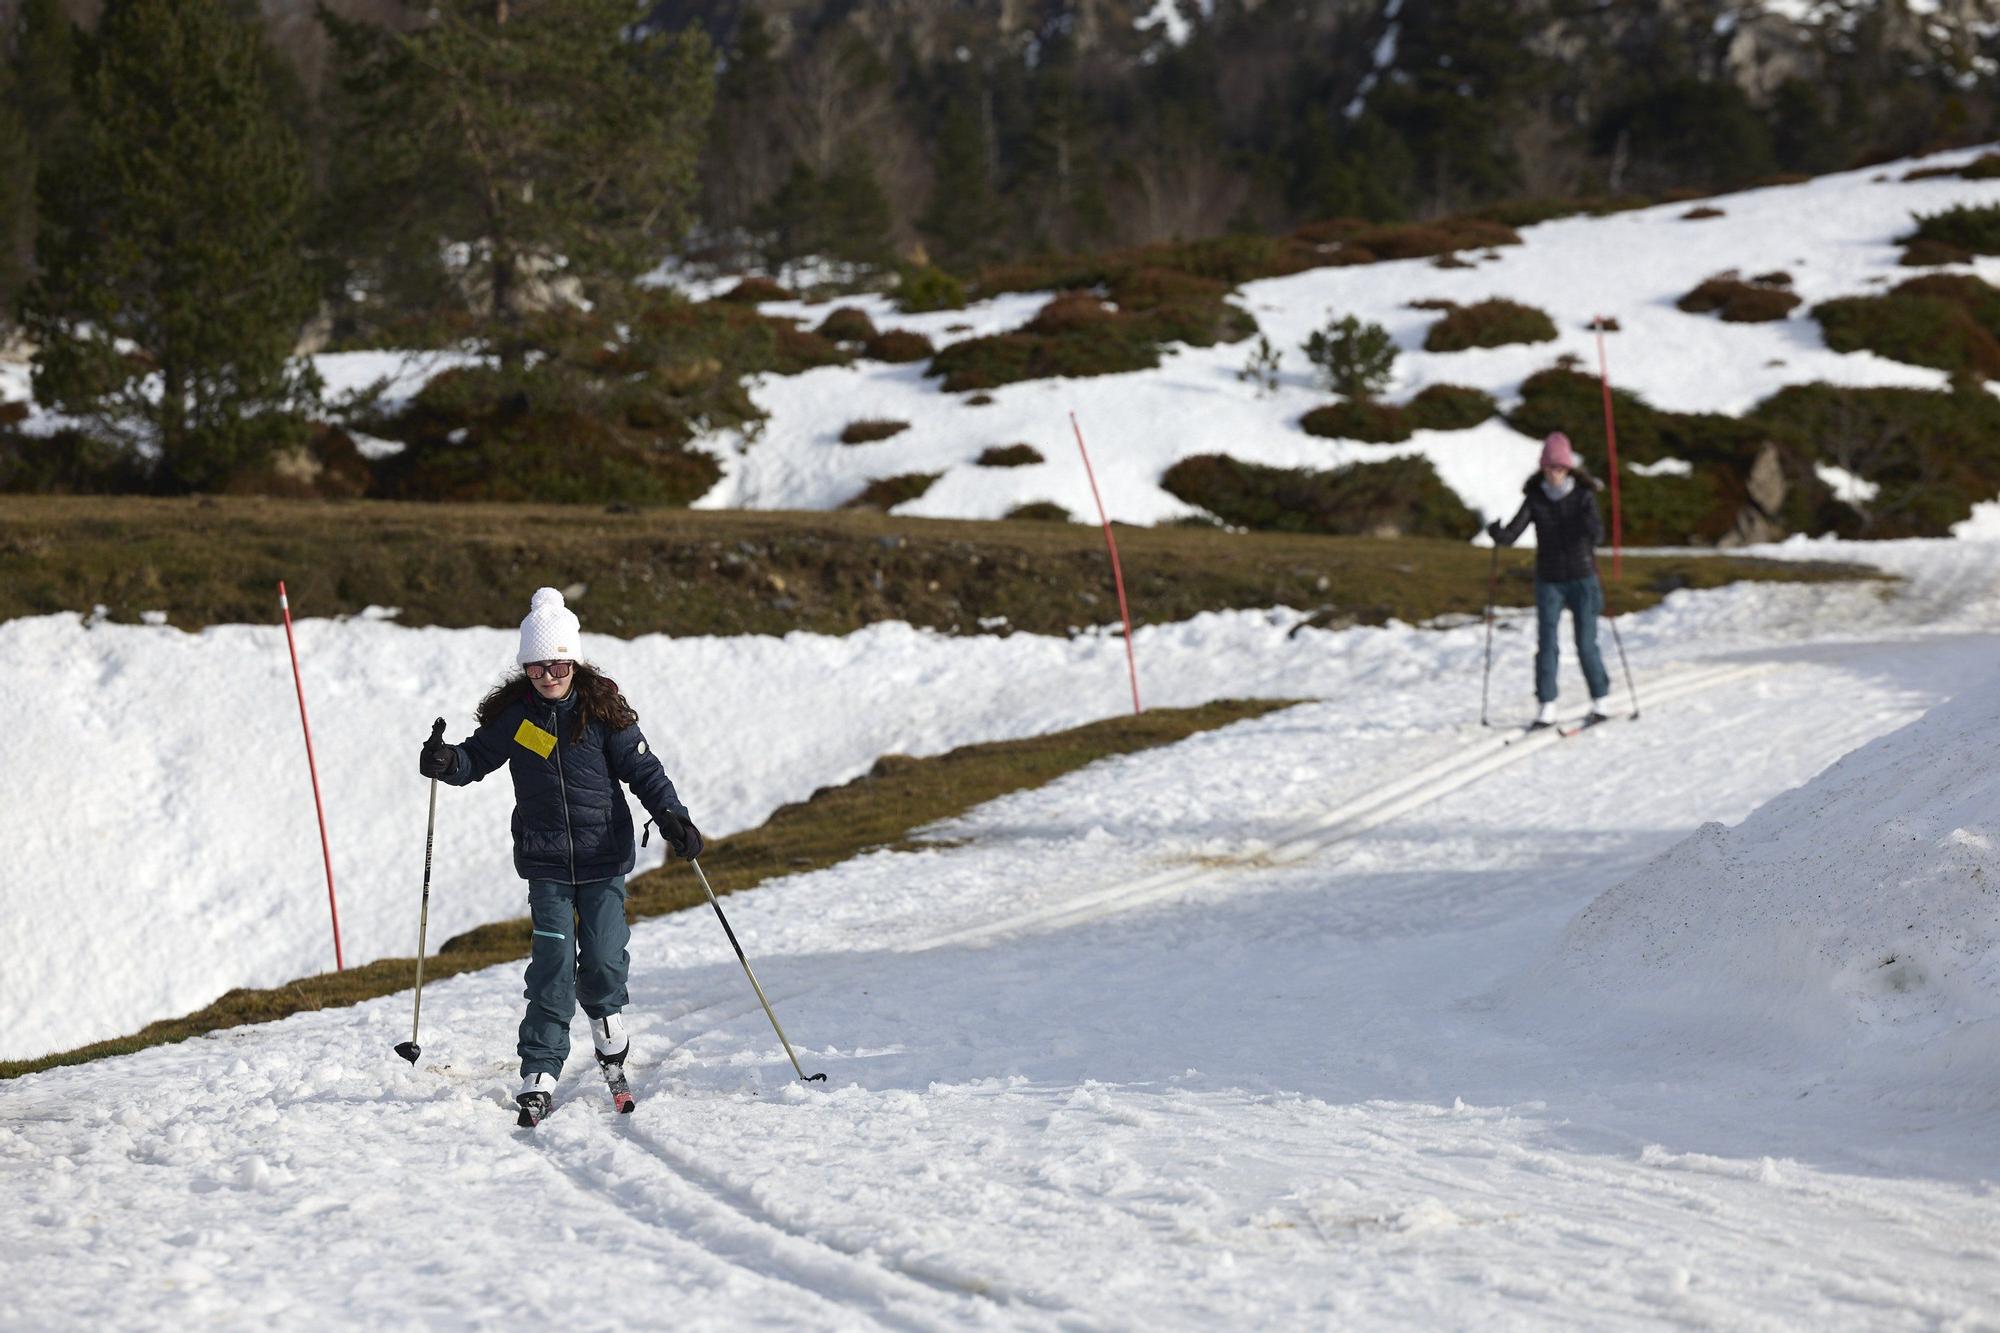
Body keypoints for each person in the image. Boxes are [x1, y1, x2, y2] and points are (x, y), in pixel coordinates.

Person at [418, 587, 703, 1126]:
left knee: (600, 956)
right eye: (535, 667)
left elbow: (645, 772)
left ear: (572, 660)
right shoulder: (516, 718)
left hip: (603, 855)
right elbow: (475, 758)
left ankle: (607, 1022)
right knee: (551, 964)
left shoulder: (601, 714)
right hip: (546, 860)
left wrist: (673, 818)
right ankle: (540, 1065)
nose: (547, 676)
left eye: (556, 665)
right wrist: (446, 760)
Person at [1487, 431, 1613, 729]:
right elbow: (1513, 532)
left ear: (1568, 468)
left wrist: (1592, 528)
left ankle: (1601, 701)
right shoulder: (1536, 499)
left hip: (1583, 578)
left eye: (1560, 467)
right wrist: (1499, 535)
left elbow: (1598, 534)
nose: (1554, 473)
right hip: (1549, 580)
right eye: (1549, 467)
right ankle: (1547, 706)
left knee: (1586, 644)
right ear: (1542, 467)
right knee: (1547, 644)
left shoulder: (1584, 496)